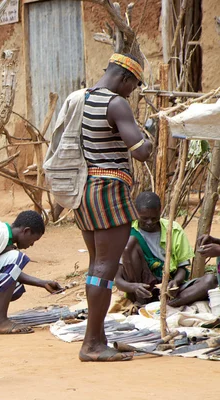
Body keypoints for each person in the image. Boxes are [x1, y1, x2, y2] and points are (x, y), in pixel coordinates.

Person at [74, 54, 153, 362]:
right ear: (124, 78)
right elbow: (141, 151)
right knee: (105, 269)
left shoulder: (82, 98)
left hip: (85, 189)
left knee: (97, 265)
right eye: (134, 84)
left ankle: (97, 338)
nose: (133, 90)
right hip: (109, 189)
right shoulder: (116, 104)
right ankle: (91, 343)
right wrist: (150, 132)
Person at [115, 192, 216, 306]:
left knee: (210, 280)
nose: (149, 222)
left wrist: (175, 282)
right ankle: (144, 303)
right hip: (142, 291)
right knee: (130, 243)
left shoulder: (173, 229)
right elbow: (118, 281)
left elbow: (182, 268)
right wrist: (134, 287)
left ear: (160, 211)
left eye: (154, 218)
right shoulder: (127, 232)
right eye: (144, 218)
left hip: (170, 291)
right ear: (135, 212)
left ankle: (166, 304)